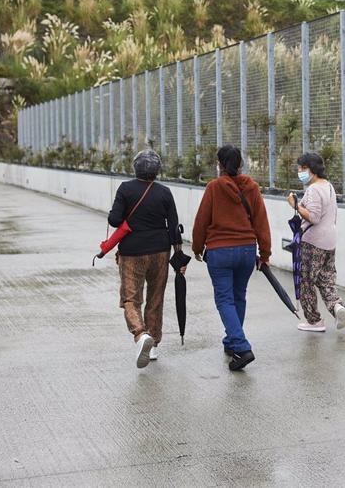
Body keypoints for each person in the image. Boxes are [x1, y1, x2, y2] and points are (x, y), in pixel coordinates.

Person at [192, 145, 271, 371]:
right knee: (239, 296)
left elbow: (201, 221)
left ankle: (242, 346)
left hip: (219, 251)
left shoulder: (214, 188)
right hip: (247, 250)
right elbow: (261, 223)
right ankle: (231, 340)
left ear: (220, 165)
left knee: (225, 299)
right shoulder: (252, 187)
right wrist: (264, 253)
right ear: (240, 164)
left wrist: (197, 247)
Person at [107, 150, 183, 369]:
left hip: (132, 252)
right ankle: (153, 345)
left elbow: (114, 220)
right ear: (157, 170)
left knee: (131, 298)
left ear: (135, 168)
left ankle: (141, 335)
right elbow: (174, 227)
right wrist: (178, 258)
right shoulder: (165, 192)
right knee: (155, 297)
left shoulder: (125, 189)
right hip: (160, 250)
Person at [287, 152, 345, 333]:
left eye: (302, 168)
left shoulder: (313, 190)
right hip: (330, 241)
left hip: (313, 242)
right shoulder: (328, 186)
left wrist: (295, 205)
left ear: (312, 170)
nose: (300, 172)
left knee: (306, 281)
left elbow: (313, 217)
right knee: (326, 279)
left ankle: (314, 321)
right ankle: (337, 307)